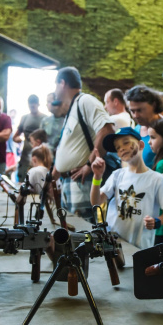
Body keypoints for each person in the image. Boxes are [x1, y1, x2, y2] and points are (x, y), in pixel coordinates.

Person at [90, 127, 163, 249]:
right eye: (118, 148)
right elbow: (96, 202)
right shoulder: (117, 175)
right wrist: (97, 176)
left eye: (126, 142)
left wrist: (156, 222)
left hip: (140, 247)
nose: (122, 148)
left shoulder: (157, 179)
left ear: (141, 144)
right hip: (113, 243)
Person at [52, 66, 115, 222]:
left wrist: (89, 163)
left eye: (55, 85)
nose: (54, 90)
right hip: (70, 183)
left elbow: (107, 129)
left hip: (81, 182)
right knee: (72, 233)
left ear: (62, 83)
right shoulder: (72, 108)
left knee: (83, 234)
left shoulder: (85, 101)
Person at [14, 94, 48, 181]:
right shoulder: (24, 118)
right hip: (25, 157)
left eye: (34, 103)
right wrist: (19, 139)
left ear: (38, 104)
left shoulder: (45, 119)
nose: (32, 105)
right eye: (30, 103)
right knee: (23, 183)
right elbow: (15, 136)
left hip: (41, 158)